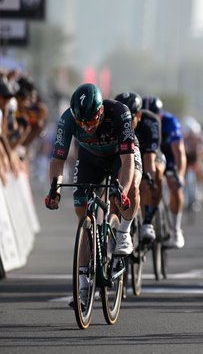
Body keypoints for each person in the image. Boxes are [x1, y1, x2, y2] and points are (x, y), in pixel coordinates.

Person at [45, 83, 142, 305]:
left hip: (120, 155)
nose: (86, 127)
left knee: (132, 188)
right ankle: (83, 288)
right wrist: (54, 189)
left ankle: (124, 232)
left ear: (101, 111)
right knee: (82, 215)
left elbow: (128, 161)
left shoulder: (119, 112)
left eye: (90, 122)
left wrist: (122, 190)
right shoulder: (68, 119)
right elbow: (57, 160)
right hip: (90, 158)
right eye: (81, 123)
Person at [115, 92, 161, 241]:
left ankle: (148, 221)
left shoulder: (151, 121)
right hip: (127, 153)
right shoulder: (117, 122)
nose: (126, 121)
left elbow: (150, 157)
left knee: (154, 174)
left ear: (139, 115)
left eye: (131, 117)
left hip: (148, 152)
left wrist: (149, 178)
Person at [143, 96, 187, 249]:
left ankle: (176, 230)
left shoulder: (170, 122)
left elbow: (179, 151)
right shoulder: (140, 123)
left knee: (174, 184)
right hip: (150, 153)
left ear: (160, 114)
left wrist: (180, 174)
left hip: (168, 153)